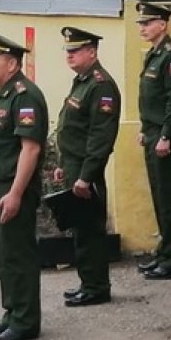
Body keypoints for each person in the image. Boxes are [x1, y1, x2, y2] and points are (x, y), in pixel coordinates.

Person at [0, 32, 49, 340]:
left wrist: (15, 192)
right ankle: (12, 312)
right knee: (4, 255)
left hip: (14, 189)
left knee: (18, 255)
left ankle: (25, 322)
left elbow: (30, 149)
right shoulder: (4, 94)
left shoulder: (25, 96)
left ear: (12, 63)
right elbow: (2, 147)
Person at [53, 27, 121, 307]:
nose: (69, 55)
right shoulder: (82, 81)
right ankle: (88, 282)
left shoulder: (100, 85)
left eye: (75, 50)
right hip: (74, 165)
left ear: (91, 52)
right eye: (67, 51)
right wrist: (61, 163)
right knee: (80, 228)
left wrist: (86, 176)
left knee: (91, 229)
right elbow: (72, 128)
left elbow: (100, 136)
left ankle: (96, 287)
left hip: (85, 168)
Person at [135, 2, 171, 280]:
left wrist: (166, 134)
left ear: (163, 25)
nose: (142, 28)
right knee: (159, 196)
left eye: (147, 23)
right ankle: (164, 251)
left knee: (169, 198)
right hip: (154, 132)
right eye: (141, 23)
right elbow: (151, 98)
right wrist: (147, 128)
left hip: (166, 135)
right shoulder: (154, 55)